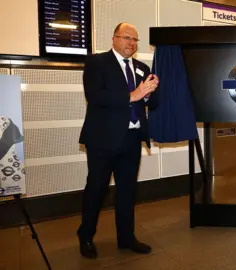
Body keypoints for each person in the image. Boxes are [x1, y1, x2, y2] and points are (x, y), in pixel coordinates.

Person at [77, 22, 159, 259]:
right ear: (114, 39)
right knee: (96, 190)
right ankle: (85, 236)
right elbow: (94, 96)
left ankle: (126, 238)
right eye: (126, 38)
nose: (131, 43)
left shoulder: (142, 68)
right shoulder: (97, 62)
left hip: (132, 139)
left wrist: (150, 93)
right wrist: (132, 95)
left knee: (127, 191)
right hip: (103, 140)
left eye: (135, 40)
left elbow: (152, 103)